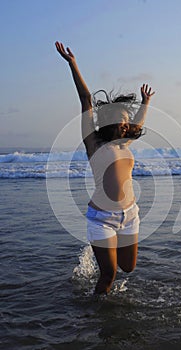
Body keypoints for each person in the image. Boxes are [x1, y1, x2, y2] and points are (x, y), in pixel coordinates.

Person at [55, 42, 155, 294]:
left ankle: (101, 253)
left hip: (130, 216)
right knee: (108, 275)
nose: (125, 125)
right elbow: (86, 99)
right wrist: (72, 64)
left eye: (126, 122)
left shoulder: (125, 142)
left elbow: (138, 123)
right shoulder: (94, 143)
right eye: (121, 122)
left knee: (128, 267)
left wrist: (146, 103)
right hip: (102, 218)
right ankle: (96, 317)